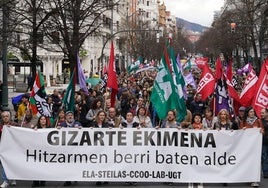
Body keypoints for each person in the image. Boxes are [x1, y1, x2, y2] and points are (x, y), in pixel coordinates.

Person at [239, 107, 263, 187]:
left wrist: (261, 131)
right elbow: (239, 132)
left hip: (256, 146)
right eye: (250, 112)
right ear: (247, 113)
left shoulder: (258, 120)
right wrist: (243, 129)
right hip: (246, 146)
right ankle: (248, 177)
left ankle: (254, 180)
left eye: (253, 112)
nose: (252, 113)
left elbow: (263, 130)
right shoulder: (243, 121)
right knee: (248, 162)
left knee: (255, 162)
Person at [0, 111, 19, 188]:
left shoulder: (15, 125)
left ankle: (13, 178)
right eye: (3, 116)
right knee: (3, 164)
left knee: (13, 163)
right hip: (3, 148)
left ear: (10, 117)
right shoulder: (0, 126)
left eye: (7, 116)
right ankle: (5, 180)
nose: (5, 117)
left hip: (13, 148)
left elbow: (23, 129)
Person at [31, 116, 49, 187]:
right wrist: (32, 130)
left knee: (43, 166)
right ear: (39, 121)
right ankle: (35, 181)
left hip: (46, 151)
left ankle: (42, 181)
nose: (43, 120)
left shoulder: (50, 129)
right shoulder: (36, 128)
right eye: (41, 119)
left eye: (44, 119)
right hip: (37, 150)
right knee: (36, 166)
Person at [261, 108, 268, 178]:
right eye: (261, 113)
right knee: (264, 157)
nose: (261, 114)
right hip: (264, 142)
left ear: (267, 113)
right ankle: (265, 172)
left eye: (263, 113)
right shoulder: (260, 121)